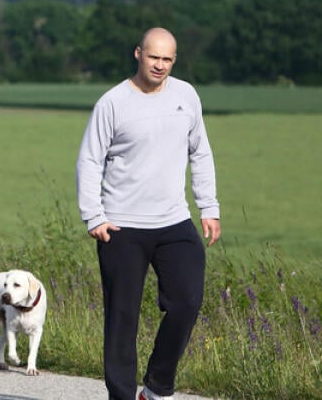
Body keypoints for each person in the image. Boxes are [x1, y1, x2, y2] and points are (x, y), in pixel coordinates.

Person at [75, 27, 221, 400]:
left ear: (175, 60)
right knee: (122, 319)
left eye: (167, 59)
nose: (160, 65)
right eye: (154, 57)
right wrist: (94, 215)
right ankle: (122, 396)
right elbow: (90, 159)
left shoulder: (186, 95)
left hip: (174, 221)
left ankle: (156, 387)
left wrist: (209, 206)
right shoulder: (113, 102)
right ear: (138, 53)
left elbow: (200, 152)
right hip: (121, 226)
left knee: (187, 301)